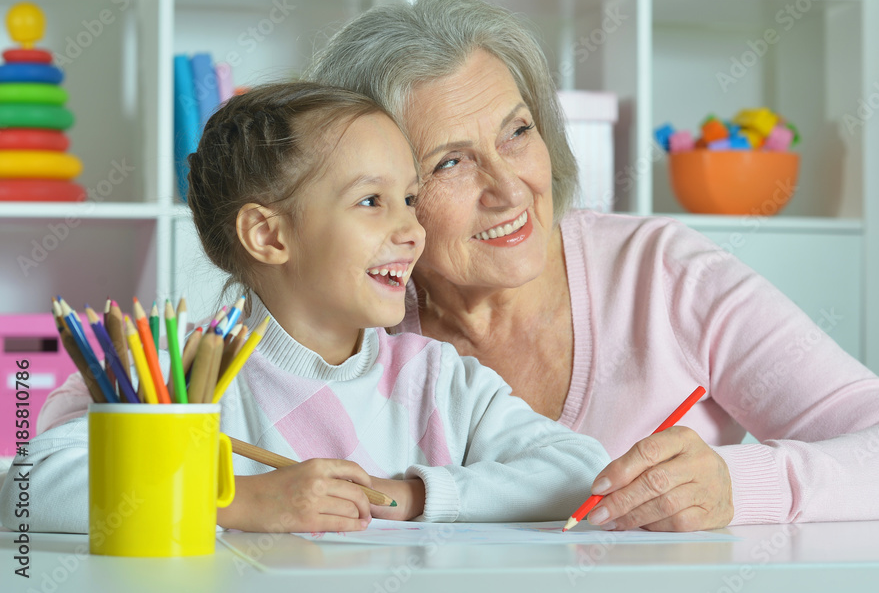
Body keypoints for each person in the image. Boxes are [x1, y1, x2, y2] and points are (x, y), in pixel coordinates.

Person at [303, 0, 879, 532]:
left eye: (518, 132)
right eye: (451, 162)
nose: (510, 188)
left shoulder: (663, 275)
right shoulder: (349, 315)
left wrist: (736, 485)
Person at [0, 82, 609, 534]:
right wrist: (238, 501)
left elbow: (580, 468)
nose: (411, 230)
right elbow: (27, 490)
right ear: (268, 235)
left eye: (409, 199)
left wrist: (411, 496)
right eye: (371, 201)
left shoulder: (438, 378)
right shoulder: (180, 374)